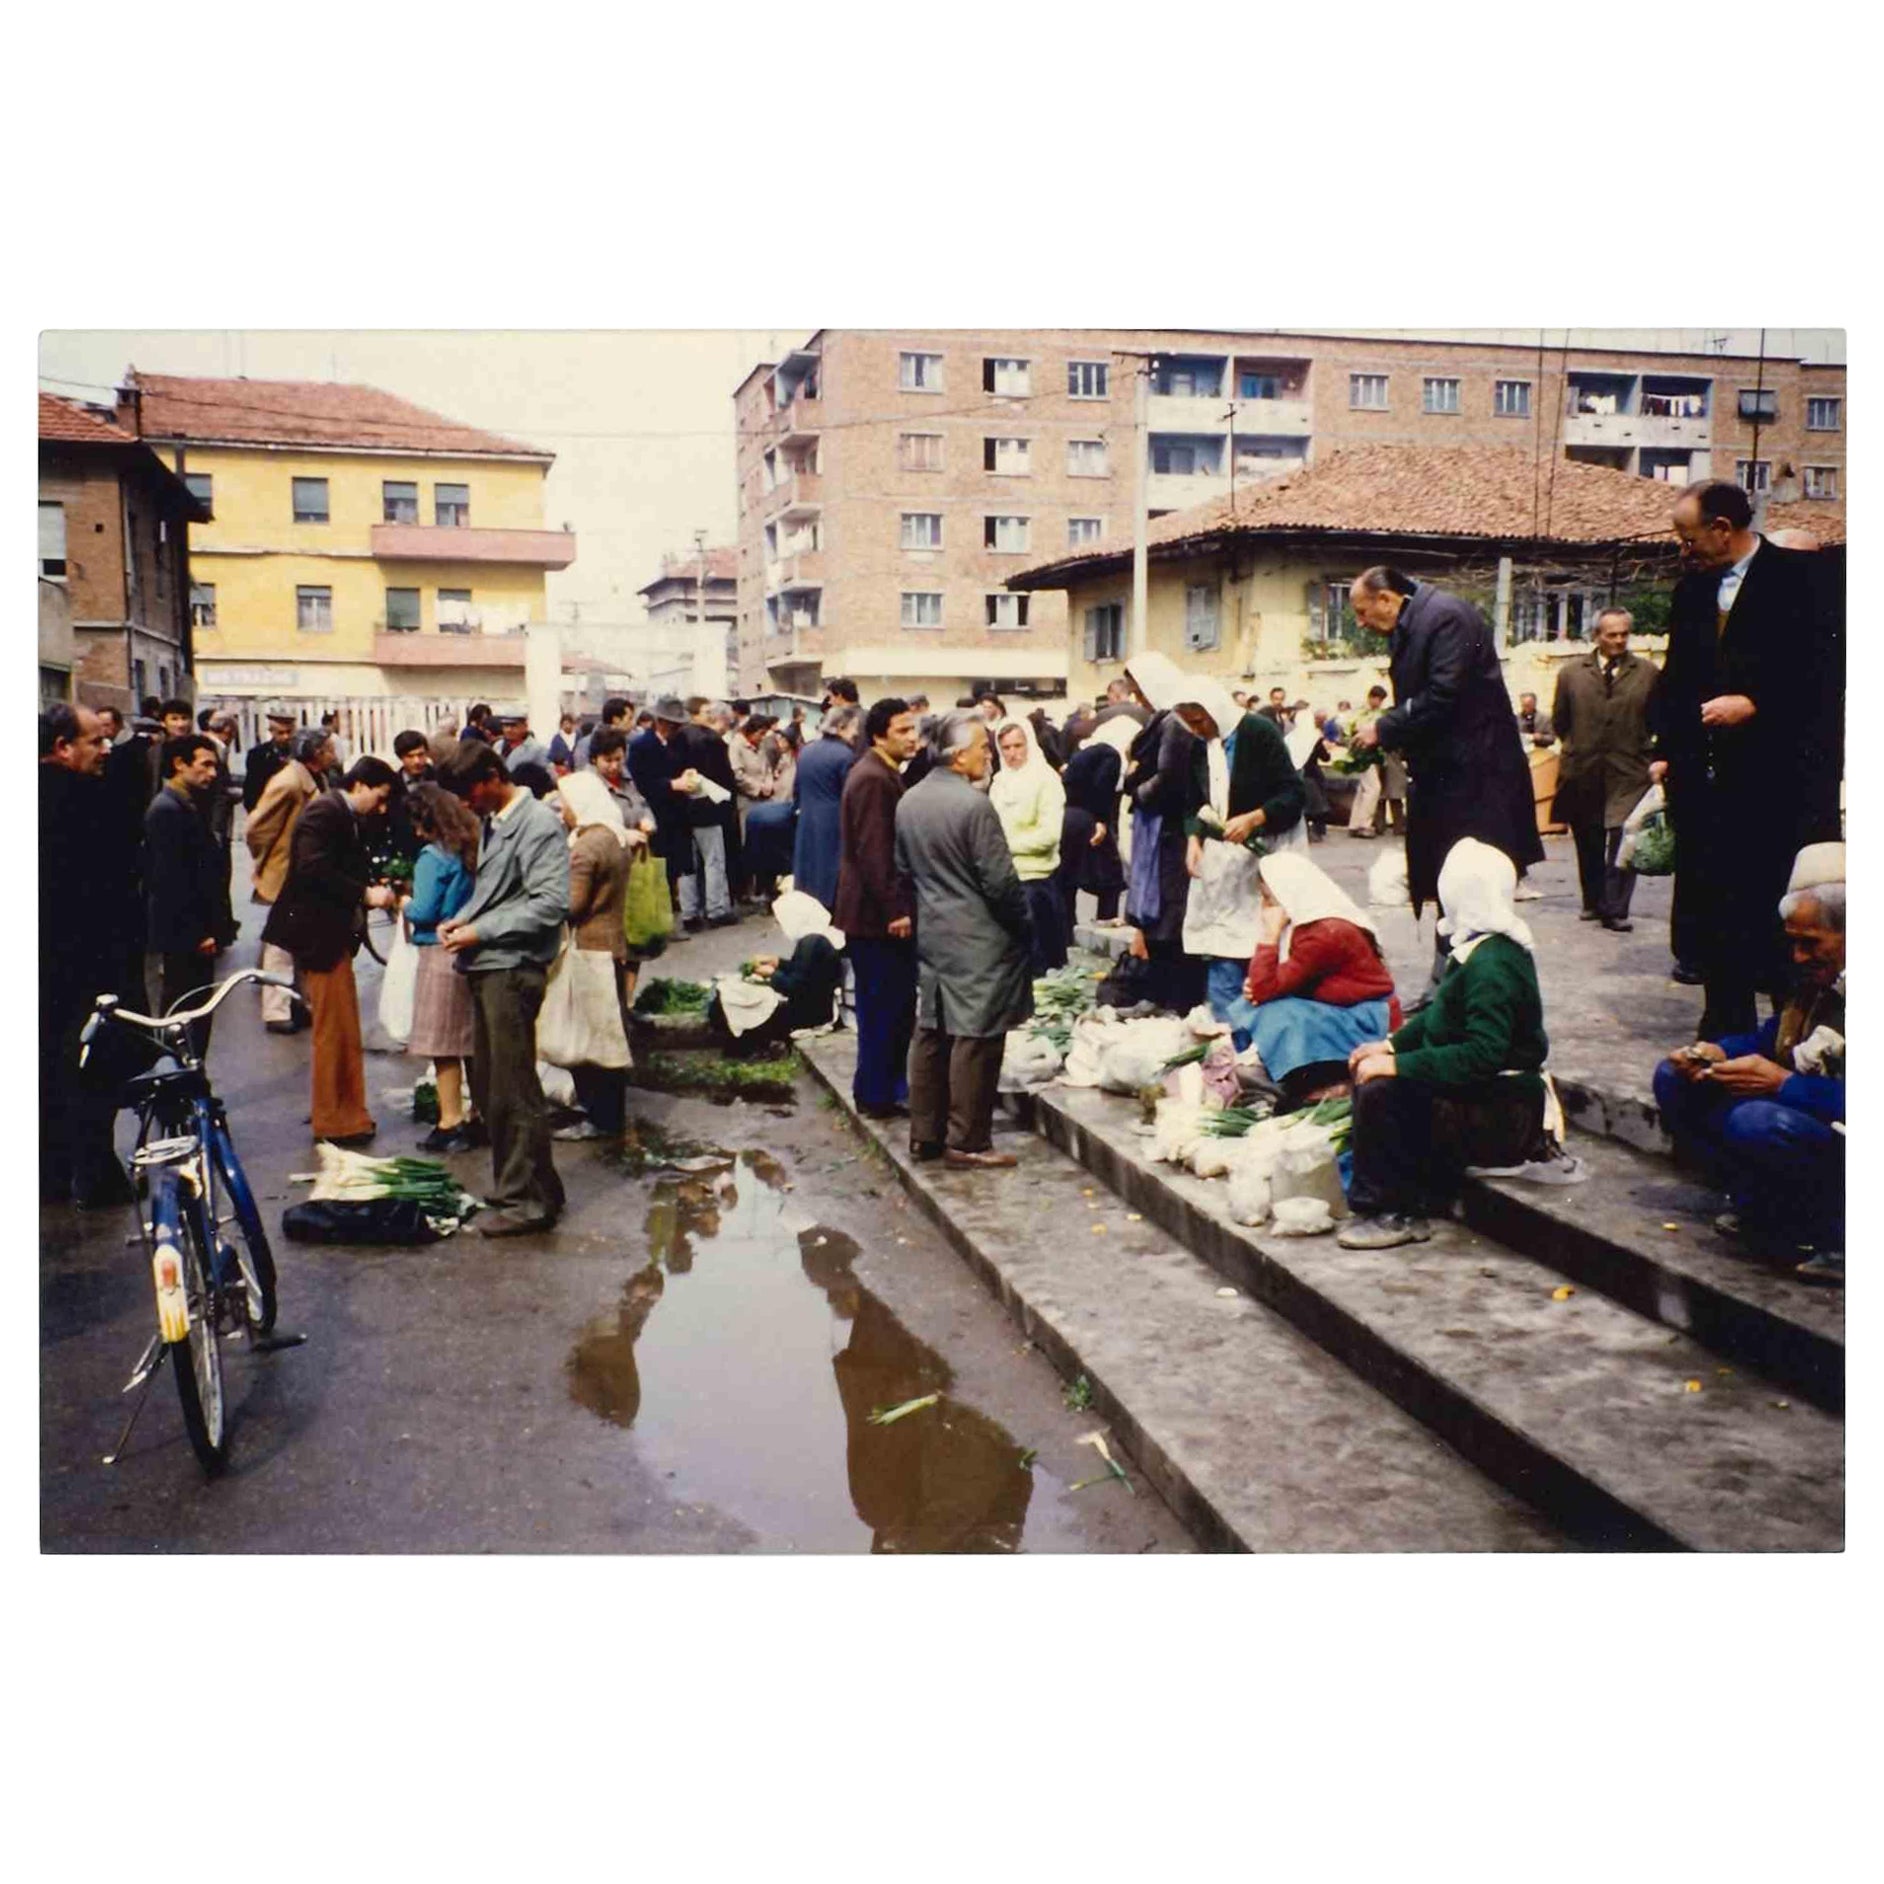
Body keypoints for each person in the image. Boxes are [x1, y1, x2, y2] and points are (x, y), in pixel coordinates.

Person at [1656, 479, 1842, 1039]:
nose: (1684, 552)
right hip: (1706, 788)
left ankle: (1793, 1031)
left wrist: (1758, 703)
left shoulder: (1805, 579)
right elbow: (1675, 682)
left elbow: (1828, 676)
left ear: (1723, 529)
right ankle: (1724, 1024)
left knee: (1779, 912)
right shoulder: (1690, 593)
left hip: (1779, 785)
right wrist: (1667, 753)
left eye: (1690, 540)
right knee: (1715, 911)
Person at [1337, 840, 1552, 1251]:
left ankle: (1394, 1212)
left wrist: (1398, 1068)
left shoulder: (1493, 965)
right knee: (1376, 1080)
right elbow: (1437, 1020)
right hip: (1489, 1098)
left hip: (1506, 1114)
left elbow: (1481, 1056)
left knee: (1384, 1094)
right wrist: (1390, 1047)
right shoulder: (1473, 950)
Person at [1652, 848, 1844, 1282]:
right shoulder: (1817, 984)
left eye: (1810, 943)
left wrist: (1782, 1085)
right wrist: (1718, 1053)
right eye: (1793, 942)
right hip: (1818, 1118)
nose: (1797, 956)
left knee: (1758, 1120)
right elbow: (1772, 1041)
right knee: (1676, 1080)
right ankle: (1767, 1208)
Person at [1348, 566, 1543, 980]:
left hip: (1475, 779)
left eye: (1364, 613)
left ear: (1386, 599)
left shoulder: (1446, 617)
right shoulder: (1419, 619)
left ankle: (1477, 990)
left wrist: (1384, 727)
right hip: (1446, 776)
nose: (1362, 624)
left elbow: (1442, 694)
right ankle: (1446, 985)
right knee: (1444, 887)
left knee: (1473, 889)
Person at [436, 739, 572, 1236]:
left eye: (470, 792)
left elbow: (551, 903)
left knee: (511, 1091)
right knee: (496, 1088)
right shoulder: (498, 822)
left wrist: (480, 930)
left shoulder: (536, 824)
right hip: (492, 966)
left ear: (495, 775)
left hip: (512, 970)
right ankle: (535, 1189)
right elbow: (499, 894)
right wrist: (462, 920)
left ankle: (524, 1201)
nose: (467, 805)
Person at [894, 712, 1033, 1169]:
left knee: (932, 1030)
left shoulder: (910, 801)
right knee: (976, 1037)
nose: (988, 756)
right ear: (958, 757)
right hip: (978, 935)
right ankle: (968, 1140)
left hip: (934, 930)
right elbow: (999, 881)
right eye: (983, 748)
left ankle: (925, 1134)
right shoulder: (974, 806)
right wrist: (1023, 922)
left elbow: (904, 868)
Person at [263, 757, 399, 1146]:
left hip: (331, 934)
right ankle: (334, 1118)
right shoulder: (324, 812)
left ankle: (345, 1112)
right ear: (360, 785)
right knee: (333, 1030)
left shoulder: (340, 812)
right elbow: (312, 868)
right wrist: (362, 892)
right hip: (319, 934)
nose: (382, 805)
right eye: (380, 796)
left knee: (341, 1027)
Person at [39, 705, 133, 1205]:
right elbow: (112, 894)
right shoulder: (88, 802)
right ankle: (94, 1175)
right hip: (86, 967)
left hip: (42, 968)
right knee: (90, 1069)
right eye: (95, 742)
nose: (104, 750)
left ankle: (49, 1177)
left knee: (44, 1070)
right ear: (63, 747)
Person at [1175, 676, 1305, 1032]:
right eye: (1190, 723)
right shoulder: (1201, 745)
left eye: (1200, 721)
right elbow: (1193, 802)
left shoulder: (1258, 733)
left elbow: (1293, 794)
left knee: (1261, 946)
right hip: (1223, 864)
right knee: (1222, 949)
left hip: (1265, 856)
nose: (1197, 730)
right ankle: (1229, 1042)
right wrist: (1194, 839)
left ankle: (1262, 1040)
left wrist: (1255, 818)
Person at [1241, 852, 1401, 1106]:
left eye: (1269, 899)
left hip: (1369, 1018)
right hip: (1343, 1007)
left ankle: (1316, 1079)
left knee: (1279, 1012)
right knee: (1261, 1005)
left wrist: (1269, 935)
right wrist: (1263, 984)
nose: (1264, 908)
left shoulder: (1324, 934)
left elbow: (1264, 988)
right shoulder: (1312, 925)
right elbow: (1272, 983)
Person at [834, 699, 921, 1118]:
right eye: (903, 730)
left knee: (887, 1005)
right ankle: (878, 1093)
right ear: (878, 735)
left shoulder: (881, 773)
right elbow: (874, 851)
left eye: (913, 728)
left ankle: (879, 1089)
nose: (912, 737)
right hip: (875, 918)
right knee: (885, 1006)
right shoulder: (872, 778)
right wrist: (895, 909)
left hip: (874, 915)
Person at [1550, 607, 1657, 934]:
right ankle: (1593, 901)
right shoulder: (1571, 674)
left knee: (1624, 836)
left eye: (1625, 634)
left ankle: (1616, 909)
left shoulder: (1648, 673)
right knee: (1589, 837)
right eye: (1612, 634)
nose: (1619, 640)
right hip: (1584, 768)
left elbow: (1656, 718)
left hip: (1629, 769)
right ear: (1597, 636)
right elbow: (1560, 721)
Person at [552, 769, 641, 1142]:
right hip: (613, 943)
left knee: (592, 1038)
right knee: (609, 1032)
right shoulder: (615, 835)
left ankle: (601, 1117)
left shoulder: (588, 846)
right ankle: (608, 1111)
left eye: (566, 804)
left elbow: (572, 904)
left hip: (590, 948)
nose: (563, 812)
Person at [1120, 650, 1206, 1012]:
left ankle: (1174, 999)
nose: (1138, 699)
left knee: (1167, 915)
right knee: (1160, 914)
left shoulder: (1173, 723)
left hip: (1168, 833)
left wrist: (1136, 788)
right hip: (1161, 830)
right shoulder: (1164, 720)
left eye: (1140, 690)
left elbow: (1168, 779)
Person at [144, 734, 240, 1054]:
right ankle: (176, 1084)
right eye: (205, 765)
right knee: (183, 1010)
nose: (212, 774)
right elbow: (171, 882)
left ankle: (190, 1079)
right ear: (180, 765)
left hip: (194, 931)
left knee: (196, 1010)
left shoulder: (187, 803)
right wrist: (198, 932)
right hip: (184, 935)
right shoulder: (167, 809)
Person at [402, 782, 483, 1153]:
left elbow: (423, 910)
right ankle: (478, 1114)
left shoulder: (432, 858)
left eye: (421, 824)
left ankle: (450, 1120)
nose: (418, 832)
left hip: (438, 951)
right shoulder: (470, 848)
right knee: (471, 1043)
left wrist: (401, 902)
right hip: (469, 946)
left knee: (444, 1046)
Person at [246, 727, 332, 1032]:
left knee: (299, 940)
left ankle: (296, 1003)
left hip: (303, 872)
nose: (334, 752)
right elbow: (257, 827)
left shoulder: (313, 778)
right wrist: (267, 862)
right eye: (329, 748)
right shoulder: (289, 781)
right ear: (316, 753)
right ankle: (277, 1010)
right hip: (286, 872)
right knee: (281, 943)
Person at [989, 715, 1068, 973]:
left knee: (1040, 965)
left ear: (1030, 744)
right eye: (1006, 748)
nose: (1013, 754)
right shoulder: (999, 782)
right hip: (1005, 881)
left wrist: (1003, 846)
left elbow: (1049, 835)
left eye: (1018, 746)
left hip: (1037, 884)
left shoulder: (1046, 779)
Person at [1054, 713, 1133, 939]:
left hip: (1068, 816)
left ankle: (1066, 933)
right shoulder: (1110, 755)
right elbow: (1102, 789)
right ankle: (1102, 929)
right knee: (1110, 878)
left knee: (1067, 880)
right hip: (1087, 819)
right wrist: (1101, 821)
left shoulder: (1086, 752)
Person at [667, 696, 737, 928]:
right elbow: (725, 777)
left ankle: (690, 913)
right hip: (708, 806)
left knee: (688, 864)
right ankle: (716, 909)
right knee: (714, 860)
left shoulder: (676, 738)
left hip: (680, 806)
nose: (710, 714)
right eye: (706, 710)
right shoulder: (712, 740)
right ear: (695, 713)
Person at [629, 699, 695, 918]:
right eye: (671, 724)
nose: (674, 730)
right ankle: (659, 916)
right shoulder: (641, 746)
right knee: (658, 868)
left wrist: (688, 777)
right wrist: (671, 784)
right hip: (656, 815)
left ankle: (675, 913)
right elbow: (640, 783)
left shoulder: (680, 742)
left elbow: (685, 765)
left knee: (677, 867)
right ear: (659, 722)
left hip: (679, 814)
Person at [793, 703, 861, 911]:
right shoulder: (845, 756)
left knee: (810, 873)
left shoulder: (807, 751)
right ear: (840, 727)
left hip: (807, 819)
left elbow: (797, 789)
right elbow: (852, 796)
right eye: (853, 728)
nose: (856, 733)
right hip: (834, 821)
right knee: (832, 875)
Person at [1345, 685, 1392, 839]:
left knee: (1363, 789)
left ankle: (1354, 823)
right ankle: (1363, 825)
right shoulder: (1364, 714)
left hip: (1365, 754)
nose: (1379, 702)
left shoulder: (1366, 712)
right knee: (1373, 788)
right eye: (1378, 699)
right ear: (1372, 697)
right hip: (1365, 753)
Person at [1286, 698, 1332, 842]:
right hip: (1312, 775)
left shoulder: (1290, 738)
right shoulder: (1314, 737)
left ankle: (1304, 832)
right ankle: (1318, 831)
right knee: (1318, 805)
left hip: (1296, 775)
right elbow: (1325, 757)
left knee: (1303, 807)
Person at [242, 705, 300, 811]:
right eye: (281, 733)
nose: (286, 737)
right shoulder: (258, 755)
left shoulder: (300, 753)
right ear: (271, 732)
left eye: (289, 732)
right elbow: (251, 791)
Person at [573, 697, 630, 772]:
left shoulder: (627, 741)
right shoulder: (586, 744)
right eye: (630, 718)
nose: (633, 723)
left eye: (618, 759)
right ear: (616, 719)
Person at [496, 708, 547, 773]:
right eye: (506, 725)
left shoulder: (538, 750)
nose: (508, 730)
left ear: (525, 726)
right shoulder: (498, 746)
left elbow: (545, 778)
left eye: (513, 726)